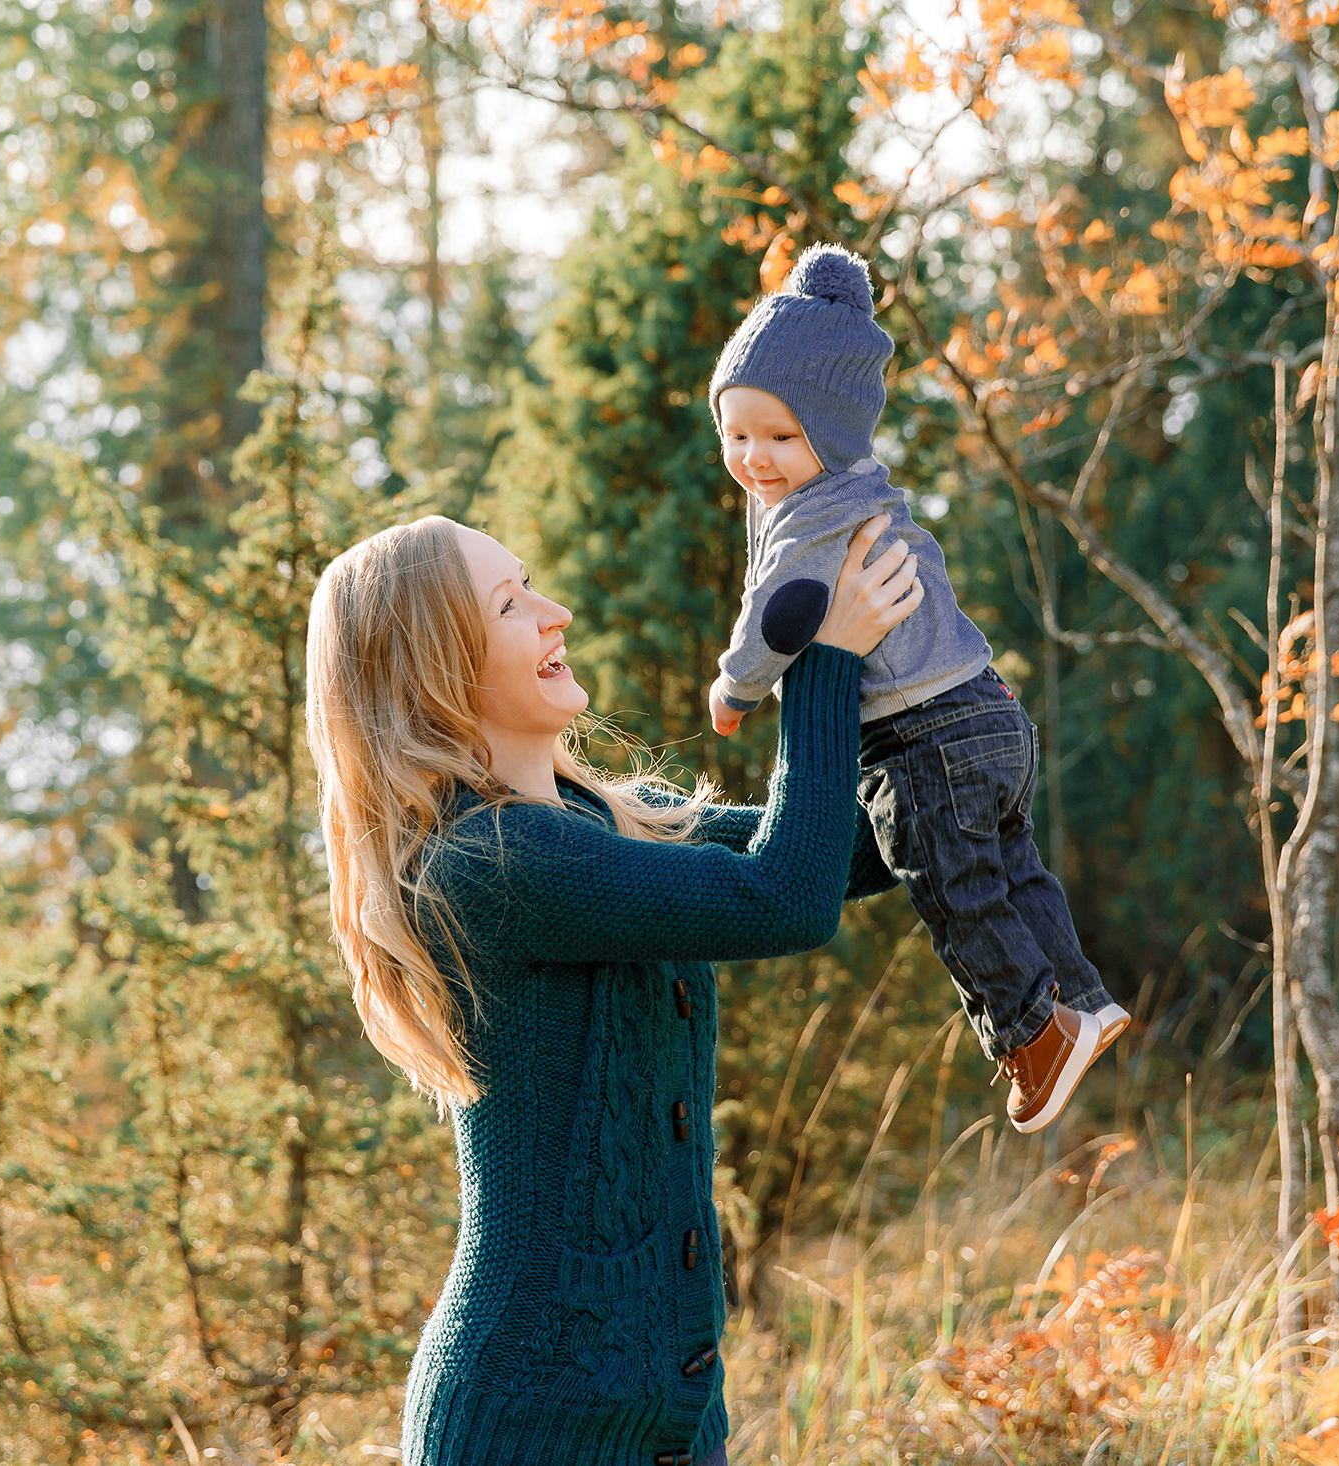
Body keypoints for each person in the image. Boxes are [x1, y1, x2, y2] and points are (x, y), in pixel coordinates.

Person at [304, 511, 921, 1466]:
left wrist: (950, 712)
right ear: (438, 666)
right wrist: (824, 659)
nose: (556, 613)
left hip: (669, 1419)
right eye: (512, 603)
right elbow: (784, 901)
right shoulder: (493, 860)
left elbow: (844, 852)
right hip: (533, 1424)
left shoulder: (602, 820)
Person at [705, 242, 1127, 1134]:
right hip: (988, 712)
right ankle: (1081, 999)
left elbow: (781, 617)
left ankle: (1032, 1035)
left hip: (921, 736)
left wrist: (735, 690)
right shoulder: (865, 493)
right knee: (1011, 864)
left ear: (834, 431)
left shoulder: (814, 519)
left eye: (782, 437)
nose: (756, 458)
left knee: (949, 883)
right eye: (736, 435)